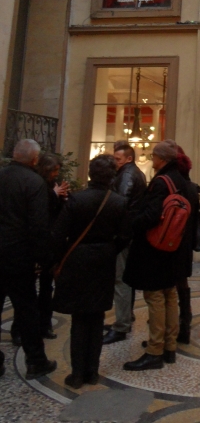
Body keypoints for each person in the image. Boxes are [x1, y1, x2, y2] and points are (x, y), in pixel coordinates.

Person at [52, 155, 127, 388]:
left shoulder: (76, 200)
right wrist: (109, 249)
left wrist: (59, 258)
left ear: (90, 174)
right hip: (103, 260)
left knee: (79, 318)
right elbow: (126, 235)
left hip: (78, 259)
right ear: (112, 177)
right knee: (97, 316)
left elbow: (58, 233)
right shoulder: (119, 202)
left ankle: (77, 374)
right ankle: (92, 372)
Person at [123, 141, 189, 371]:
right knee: (170, 294)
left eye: (154, 156)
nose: (152, 159)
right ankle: (169, 346)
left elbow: (151, 215)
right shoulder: (181, 179)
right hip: (173, 246)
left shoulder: (162, 181)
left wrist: (131, 223)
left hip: (155, 248)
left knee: (155, 297)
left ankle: (154, 351)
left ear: (162, 159)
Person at [0, 139, 56, 380]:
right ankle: (36, 361)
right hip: (19, 256)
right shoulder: (34, 182)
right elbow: (38, 226)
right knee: (27, 309)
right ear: (35, 159)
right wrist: (41, 259)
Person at [103, 141, 146, 345]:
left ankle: (121, 325)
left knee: (120, 279)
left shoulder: (127, 175)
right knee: (125, 277)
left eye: (117, 159)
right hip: (131, 232)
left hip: (124, 233)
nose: (115, 162)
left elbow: (120, 202)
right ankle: (126, 316)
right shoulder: (134, 172)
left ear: (128, 159)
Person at [169, 142, 200, 345]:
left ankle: (170, 328)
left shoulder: (171, 186)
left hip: (171, 241)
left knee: (168, 285)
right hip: (185, 241)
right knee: (181, 283)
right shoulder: (190, 187)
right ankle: (184, 323)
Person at [36, 154, 68, 339]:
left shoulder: (51, 185)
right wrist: (55, 195)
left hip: (50, 243)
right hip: (39, 242)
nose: (56, 174)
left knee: (47, 287)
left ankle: (45, 324)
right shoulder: (39, 185)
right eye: (54, 170)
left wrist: (62, 197)